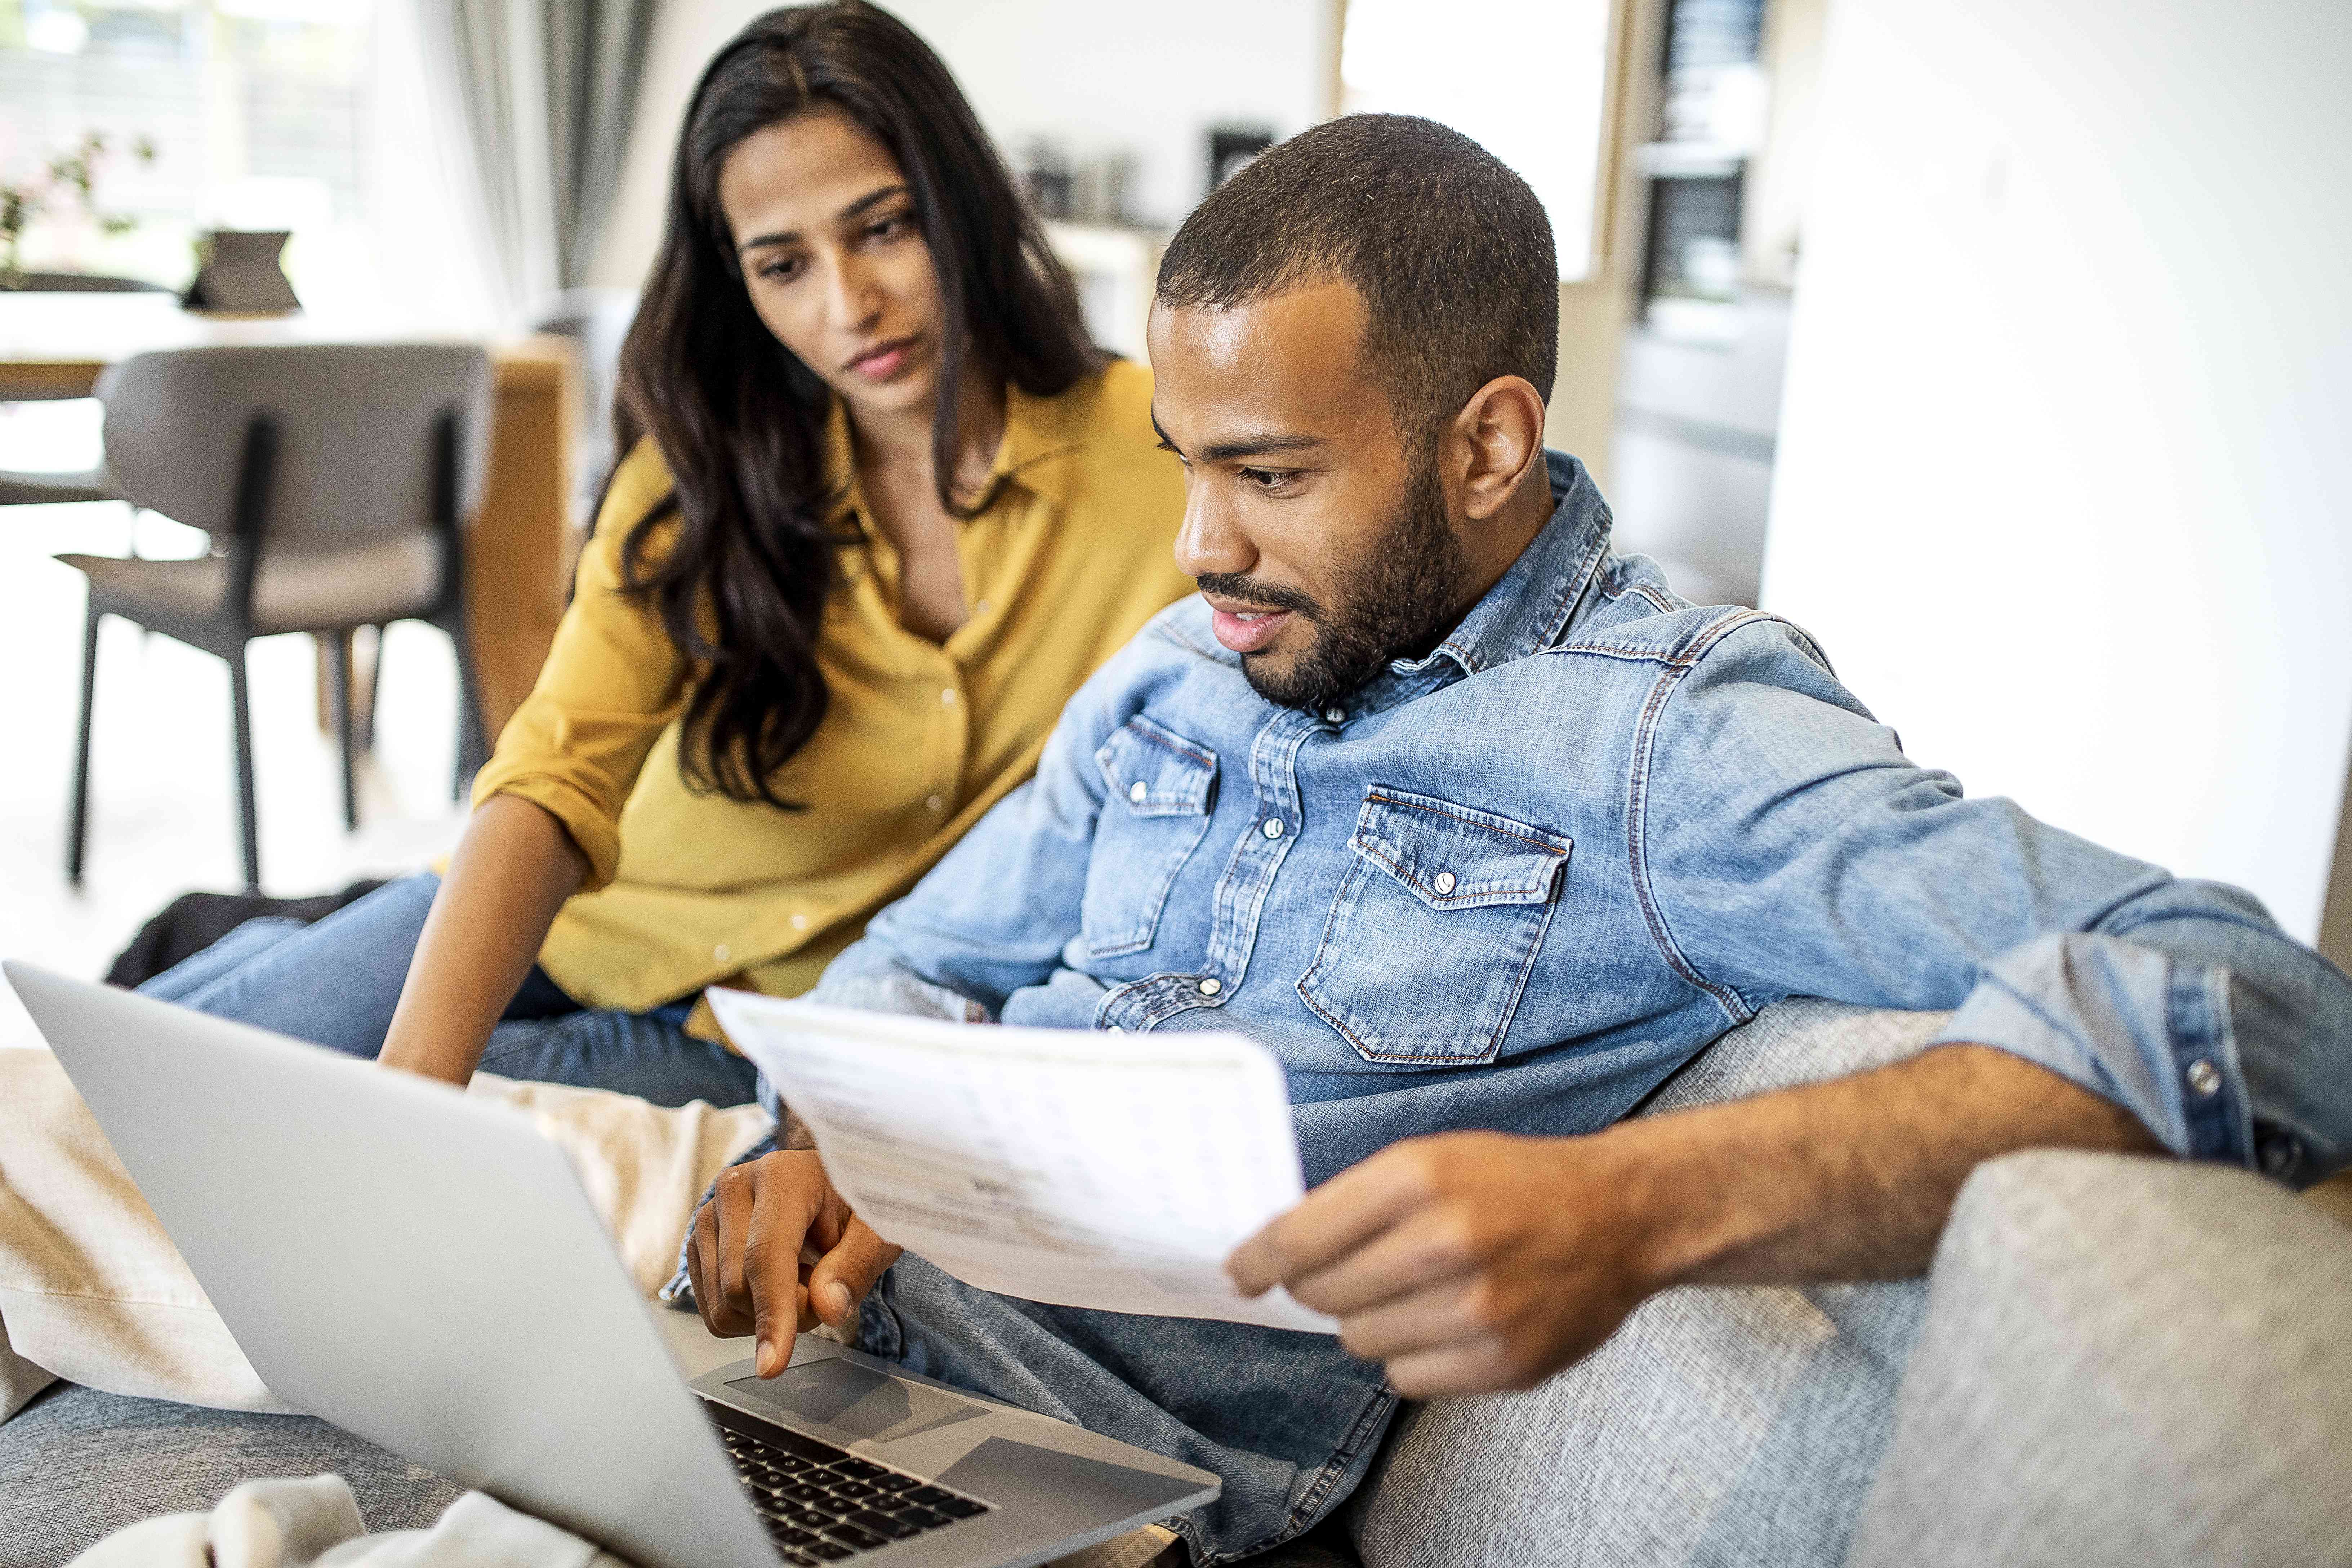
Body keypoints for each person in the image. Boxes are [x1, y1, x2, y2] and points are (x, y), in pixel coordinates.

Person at [681, 115, 2352, 1562]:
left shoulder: (1670, 739)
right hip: (822, 1346)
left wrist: (1631, 1206)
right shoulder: (1190, 665)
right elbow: (918, 954)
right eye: (1186, 466)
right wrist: (819, 1132)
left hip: (1068, 1467)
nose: (1199, 545)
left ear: (1484, 442)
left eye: (1267, 473)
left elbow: (2258, 997)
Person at [133, 1, 1191, 1106]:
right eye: (784, 266)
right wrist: (413, 1088)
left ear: (962, 206)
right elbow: (555, 770)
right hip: (569, 918)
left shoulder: (1161, 452)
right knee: (128, 1081)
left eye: (885, 228)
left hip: (762, 1027)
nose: (851, 305)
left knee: (275, 1119)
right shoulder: (705, 465)